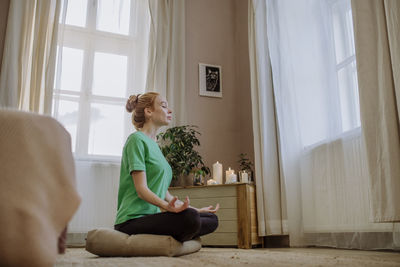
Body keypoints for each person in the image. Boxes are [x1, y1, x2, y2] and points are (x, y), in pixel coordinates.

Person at [114, 92, 219, 243]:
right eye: (163, 106)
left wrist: (195, 209)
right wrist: (167, 207)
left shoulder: (155, 146)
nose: (169, 110)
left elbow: (165, 194)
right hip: (132, 220)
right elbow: (141, 189)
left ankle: (175, 235)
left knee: (211, 219)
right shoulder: (136, 140)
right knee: (191, 219)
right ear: (148, 111)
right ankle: (178, 236)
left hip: (152, 218)